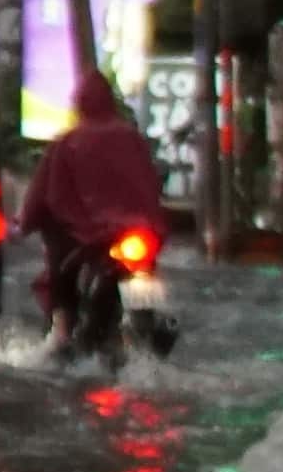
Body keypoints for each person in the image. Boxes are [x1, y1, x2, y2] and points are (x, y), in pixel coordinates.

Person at [17, 72, 169, 334]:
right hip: (139, 233)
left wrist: (25, 223)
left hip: (91, 236)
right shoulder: (131, 137)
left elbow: (42, 194)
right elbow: (151, 182)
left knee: (60, 278)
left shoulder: (68, 141)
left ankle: (61, 331)